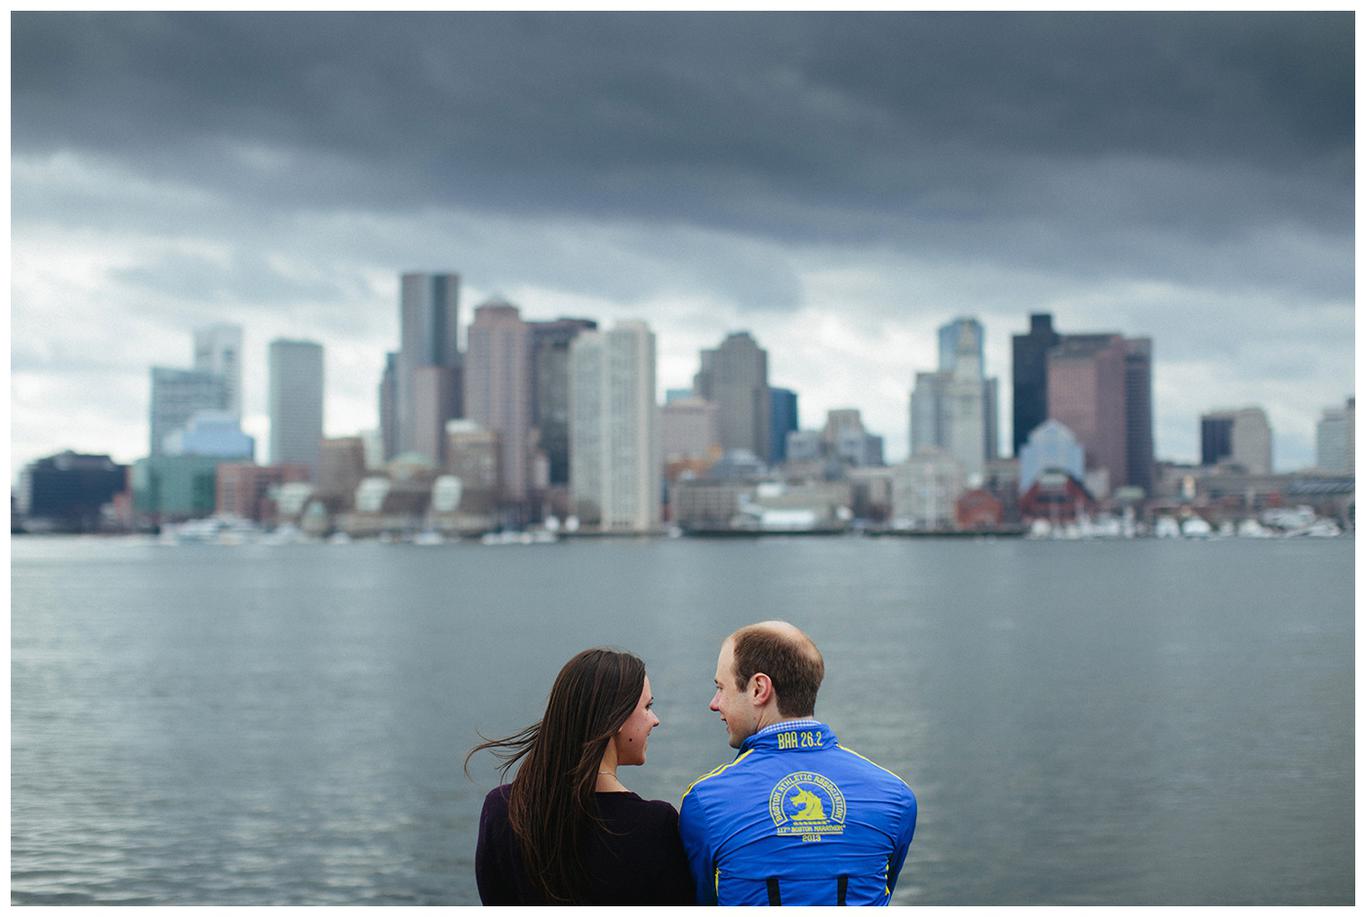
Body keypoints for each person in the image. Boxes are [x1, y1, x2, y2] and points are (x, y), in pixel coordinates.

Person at [679, 621, 917, 906]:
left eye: (721, 687)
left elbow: (702, 901)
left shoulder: (705, 802)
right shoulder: (895, 797)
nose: (714, 703)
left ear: (758, 689)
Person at [466, 647, 694, 905]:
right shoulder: (655, 825)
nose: (655, 720)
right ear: (616, 716)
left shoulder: (502, 809)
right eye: (647, 706)